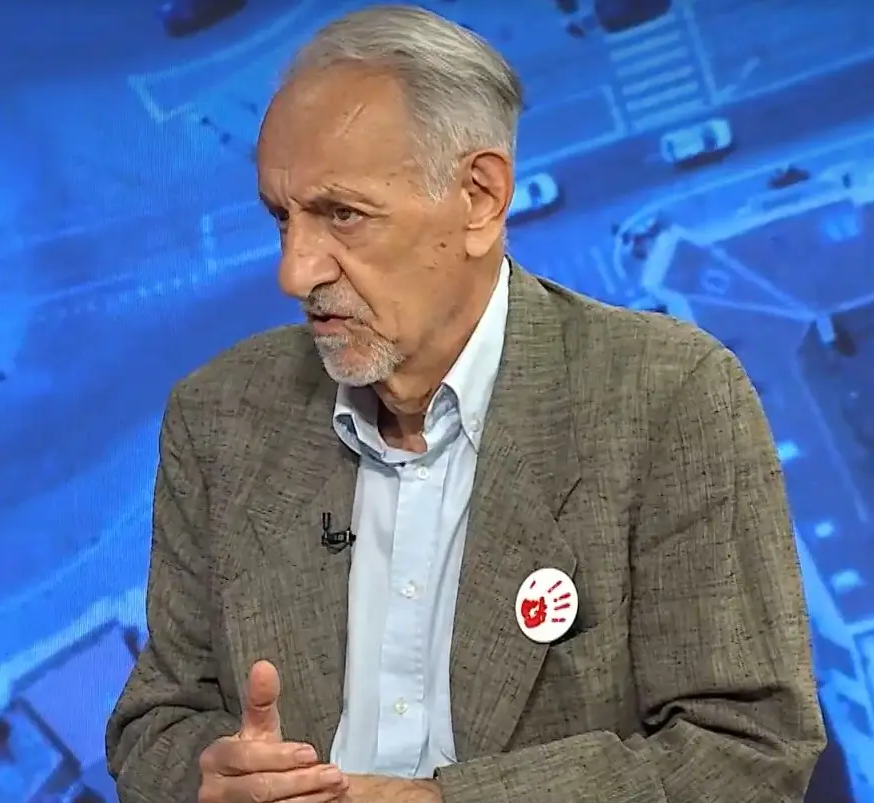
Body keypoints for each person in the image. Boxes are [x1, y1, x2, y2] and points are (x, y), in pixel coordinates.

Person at [106, 5, 826, 803]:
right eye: (282, 218)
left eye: (342, 215)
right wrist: (207, 779)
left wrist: (434, 801)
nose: (295, 271)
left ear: (478, 197)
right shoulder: (220, 415)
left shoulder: (665, 395)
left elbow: (744, 752)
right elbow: (156, 723)